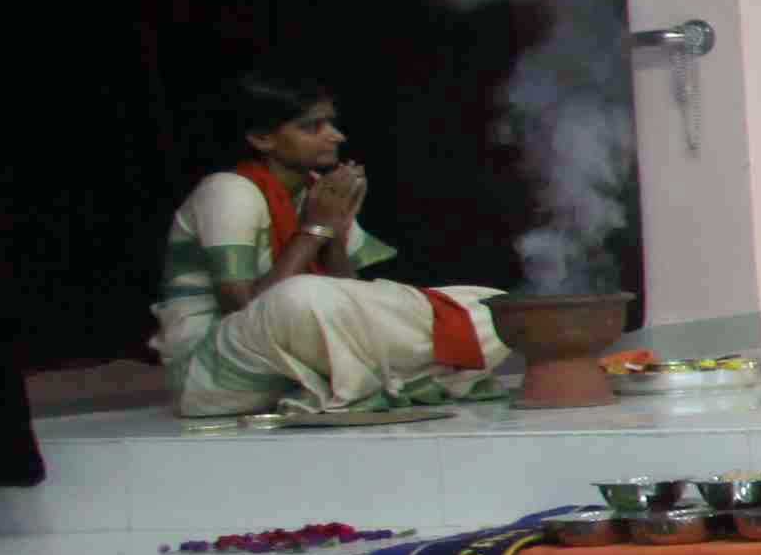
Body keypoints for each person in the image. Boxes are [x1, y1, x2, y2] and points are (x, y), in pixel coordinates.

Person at [156, 81, 503, 423]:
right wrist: (315, 229)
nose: (336, 136)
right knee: (299, 296)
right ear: (262, 138)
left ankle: (362, 380)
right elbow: (244, 306)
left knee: (488, 308)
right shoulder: (229, 191)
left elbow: (348, 297)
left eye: (331, 124)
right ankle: (390, 377)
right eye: (312, 127)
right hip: (212, 372)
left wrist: (335, 232)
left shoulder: (320, 193)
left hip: (293, 357)